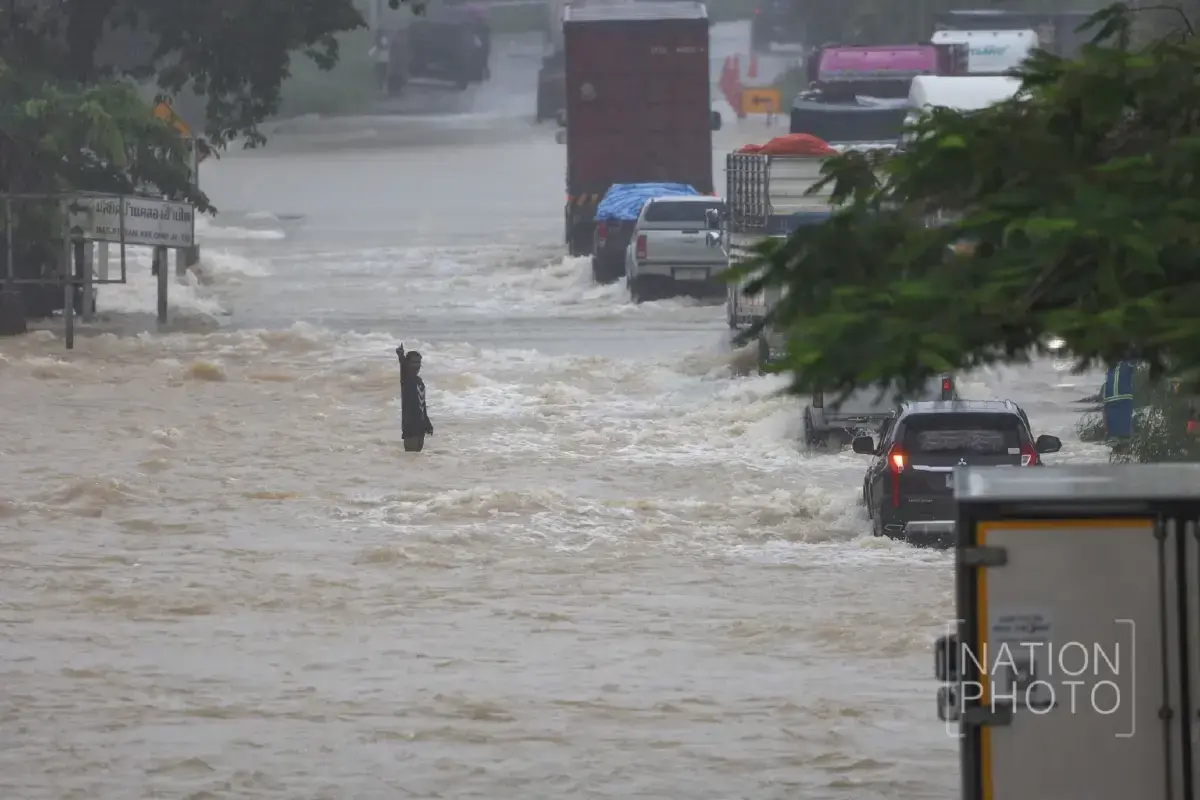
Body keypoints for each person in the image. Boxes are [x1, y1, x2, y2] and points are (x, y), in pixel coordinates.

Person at [396, 345, 434, 452]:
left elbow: (422, 405)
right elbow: (404, 369)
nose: (416, 366)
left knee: (416, 463)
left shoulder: (419, 382)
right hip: (410, 431)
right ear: (408, 364)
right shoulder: (407, 380)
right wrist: (401, 356)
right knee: (411, 462)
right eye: (413, 363)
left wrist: (427, 423)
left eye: (418, 363)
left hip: (420, 430)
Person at [1102, 360, 1135, 445]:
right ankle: (1117, 454)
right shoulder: (1110, 368)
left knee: (1124, 435)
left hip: (1123, 402)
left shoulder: (1127, 364)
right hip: (1110, 403)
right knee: (1113, 438)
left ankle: (1126, 451)